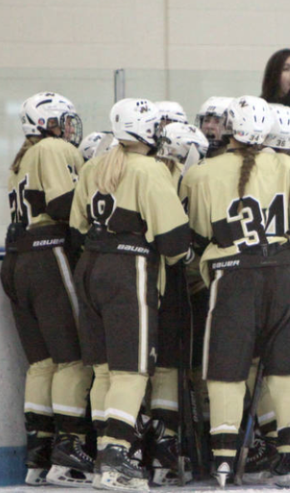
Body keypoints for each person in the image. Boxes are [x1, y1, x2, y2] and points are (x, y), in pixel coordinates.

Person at [182, 95, 290, 488]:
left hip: (232, 278)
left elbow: (194, 238)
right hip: (282, 275)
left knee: (227, 371)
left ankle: (224, 462)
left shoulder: (202, 173)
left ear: (230, 127)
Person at [70, 98, 191, 491]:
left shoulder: (94, 165)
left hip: (90, 266)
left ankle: (107, 450)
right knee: (132, 371)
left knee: (104, 370)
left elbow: (76, 230)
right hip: (129, 270)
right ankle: (116, 460)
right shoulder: (150, 170)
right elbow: (174, 242)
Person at [0, 92, 93, 487]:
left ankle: (40, 450)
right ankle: (69, 450)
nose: (69, 127)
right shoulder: (53, 148)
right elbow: (63, 204)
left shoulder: (21, 158)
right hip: (47, 254)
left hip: (18, 259)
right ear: (47, 123)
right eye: (63, 120)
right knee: (72, 357)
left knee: (42, 363)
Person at [146, 122, 208, 485]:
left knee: (151, 368)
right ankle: (165, 444)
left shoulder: (150, 171)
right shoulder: (174, 179)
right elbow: (181, 242)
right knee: (171, 365)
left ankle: (157, 443)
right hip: (171, 284)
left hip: (145, 282)